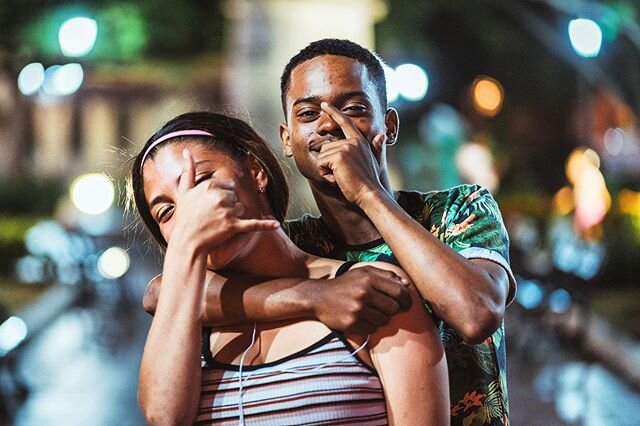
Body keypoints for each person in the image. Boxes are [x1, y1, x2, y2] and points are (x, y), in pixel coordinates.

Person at [144, 39, 516, 425]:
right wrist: (318, 296)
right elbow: (162, 292)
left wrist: (367, 192)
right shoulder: (299, 244)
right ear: (287, 140)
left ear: (388, 126)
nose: (327, 124)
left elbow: (476, 314)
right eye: (307, 113)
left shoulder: (457, 209)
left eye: (352, 108)